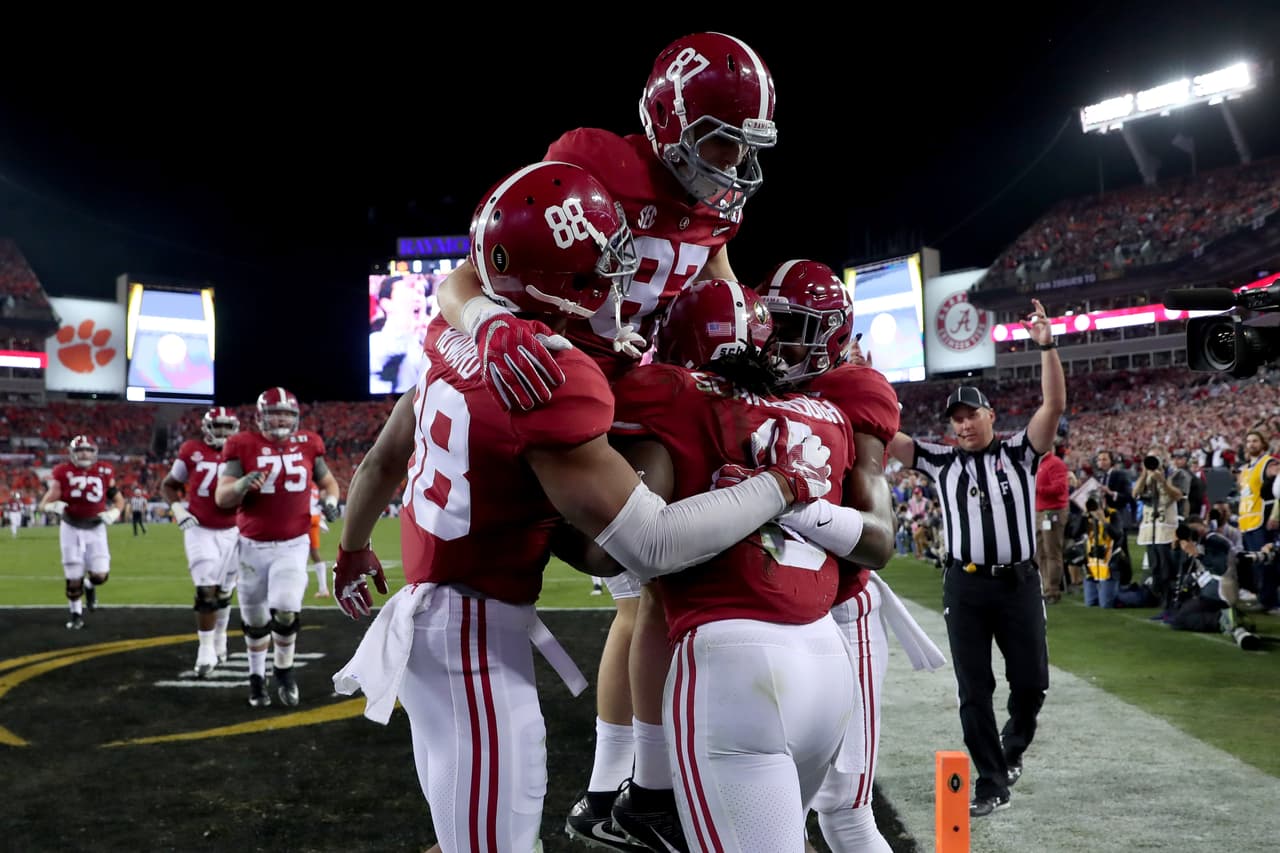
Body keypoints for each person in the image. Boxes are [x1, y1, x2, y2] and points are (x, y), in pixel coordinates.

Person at [329, 162, 826, 853]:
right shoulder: (549, 376)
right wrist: (778, 484)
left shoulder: (455, 340)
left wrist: (352, 545)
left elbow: (385, 457)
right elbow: (644, 544)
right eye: (599, 272)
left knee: (469, 827)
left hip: (439, 617)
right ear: (550, 288)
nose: (618, 285)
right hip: (471, 635)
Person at [427, 31, 778, 847]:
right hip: (561, 382)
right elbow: (465, 276)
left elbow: (714, 263)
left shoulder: (717, 202)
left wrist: (734, 330)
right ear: (666, 123)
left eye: (745, 145)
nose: (735, 165)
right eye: (720, 141)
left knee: (645, 591)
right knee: (656, 563)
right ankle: (645, 789)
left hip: (627, 377)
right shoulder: (599, 170)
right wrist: (485, 325)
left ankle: (612, 790)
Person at [757, 259, 947, 853]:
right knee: (771, 786)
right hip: (774, 611)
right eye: (776, 324)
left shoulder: (855, 388)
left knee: (843, 804)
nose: (780, 341)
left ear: (835, 334)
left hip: (841, 609)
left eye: (799, 328)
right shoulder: (762, 377)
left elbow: (878, 539)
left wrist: (782, 500)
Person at [887, 298, 1065, 817]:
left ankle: (1010, 750)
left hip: (1018, 582)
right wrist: (855, 371)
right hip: (965, 587)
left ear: (991, 414)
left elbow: (1051, 407)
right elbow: (886, 433)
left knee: (1031, 682)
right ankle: (990, 780)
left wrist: (1047, 346)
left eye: (972, 415)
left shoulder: (1019, 452)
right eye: (957, 419)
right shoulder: (940, 461)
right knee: (974, 687)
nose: (964, 425)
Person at [215, 388, 341, 708]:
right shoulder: (241, 444)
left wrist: (329, 501)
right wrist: (243, 484)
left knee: (286, 607)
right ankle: (256, 679)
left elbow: (329, 483)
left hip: (293, 543)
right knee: (256, 622)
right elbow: (222, 497)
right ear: (261, 417)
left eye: (286, 413)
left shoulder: (310, 443)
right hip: (251, 545)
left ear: (295, 417)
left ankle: (283, 670)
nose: (281, 419)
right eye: (274, 413)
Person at [161, 405, 243, 676]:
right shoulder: (191, 450)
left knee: (224, 592)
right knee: (205, 591)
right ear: (207, 428)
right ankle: (205, 650)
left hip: (234, 529)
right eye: (217, 426)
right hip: (199, 528)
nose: (221, 432)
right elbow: (169, 484)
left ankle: (220, 639)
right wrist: (177, 508)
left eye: (226, 427)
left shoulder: (243, 452)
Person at [37, 435, 125, 629]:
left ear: (94, 452)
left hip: (96, 527)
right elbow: (44, 504)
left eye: (88, 449)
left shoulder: (104, 471)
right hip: (71, 527)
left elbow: (119, 500)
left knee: (100, 576)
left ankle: (90, 586)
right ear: (72, 453)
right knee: (73, 577)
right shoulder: (63, 471)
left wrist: (115, 512)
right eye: (79, 450)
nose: (84, 453)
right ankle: (76, 614)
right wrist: (53, 507)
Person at [1135, 450, 1184, 614]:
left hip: (1166, 530)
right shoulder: (1146, 476)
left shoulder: (1175, 474)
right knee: (1155, 568)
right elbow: (1135, 493)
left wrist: (1163, 482)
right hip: (1150, 531)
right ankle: (1160, 602)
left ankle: (1170, 604)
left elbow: (1178, 495)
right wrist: (1143, 473)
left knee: (1167, 569)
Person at [368, 274, 431, 394]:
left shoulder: (433, 344)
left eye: (420, 293)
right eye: (408, 293)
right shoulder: (375, 343)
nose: (416, 298)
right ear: (386, 304)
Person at [1036, 442, 1071, 602]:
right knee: (1040, 552)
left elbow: (1060, 488)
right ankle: (1045, 586)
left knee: (1052, 552)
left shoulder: (1055, 464)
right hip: (1039, 511)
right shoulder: (1037, 463)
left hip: (1053, 511)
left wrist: (1036, 488)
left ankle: (1053, 590)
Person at [307, 484, 330, 599]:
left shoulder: (304, 480)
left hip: (303, 517)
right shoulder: (314, 485)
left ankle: (298, 583)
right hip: (314, 517)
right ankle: (323, 589)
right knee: (314, 552)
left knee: (292, 549)